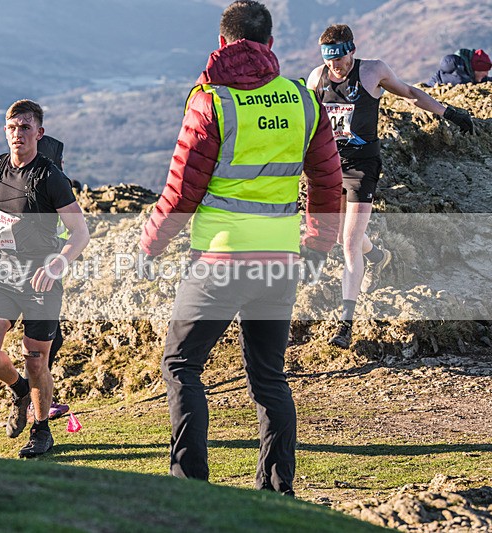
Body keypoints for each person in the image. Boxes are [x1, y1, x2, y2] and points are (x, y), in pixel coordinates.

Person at [140, 0, 342, 495]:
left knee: (182, 365)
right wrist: (318, 245)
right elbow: (328, 181)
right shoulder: (303, 100)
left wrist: (151, 244)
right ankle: (276, 488)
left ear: (223, 42)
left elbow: (182, 191)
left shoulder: (211, 101)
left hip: (220, 260)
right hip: (281, 260)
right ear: (270, 43)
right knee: (269, 376)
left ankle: (191, 485)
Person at [306, 24, 475, 348]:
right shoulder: (317, 78)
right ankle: (378, 256)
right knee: (342, 236)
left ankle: (345, 324)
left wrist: (449, 112)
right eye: (329, 60)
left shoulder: (372, 72)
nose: (335, 66)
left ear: (352, 51)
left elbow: (410, 93)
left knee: (349, 243)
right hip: (329, 168)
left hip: (362, 168)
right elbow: (308, 122)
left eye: (339, 58)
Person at [0, 100, 89, 458]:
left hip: (40, 278)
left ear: (39, 133)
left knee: (36, 360)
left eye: (25, 128)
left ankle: (41, 430)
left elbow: (80, 233)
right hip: (0, 275)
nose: (18, 134)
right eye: (12, 128)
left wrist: (58, 264)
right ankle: (19, 391)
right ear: (5, 131)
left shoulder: (50, 177)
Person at [37, 134, 71, 420]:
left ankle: (35, 398)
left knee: (50, 339)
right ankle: (32, 399)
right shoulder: (52, 183)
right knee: (46, 340)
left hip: (48, 269)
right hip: (41, 272)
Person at [425, 48, 492, 86]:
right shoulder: (457, 77)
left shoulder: (466, 72)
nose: (486, 74)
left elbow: (482, 79)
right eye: (485, 71)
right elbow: (466, 84)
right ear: (476, 70)